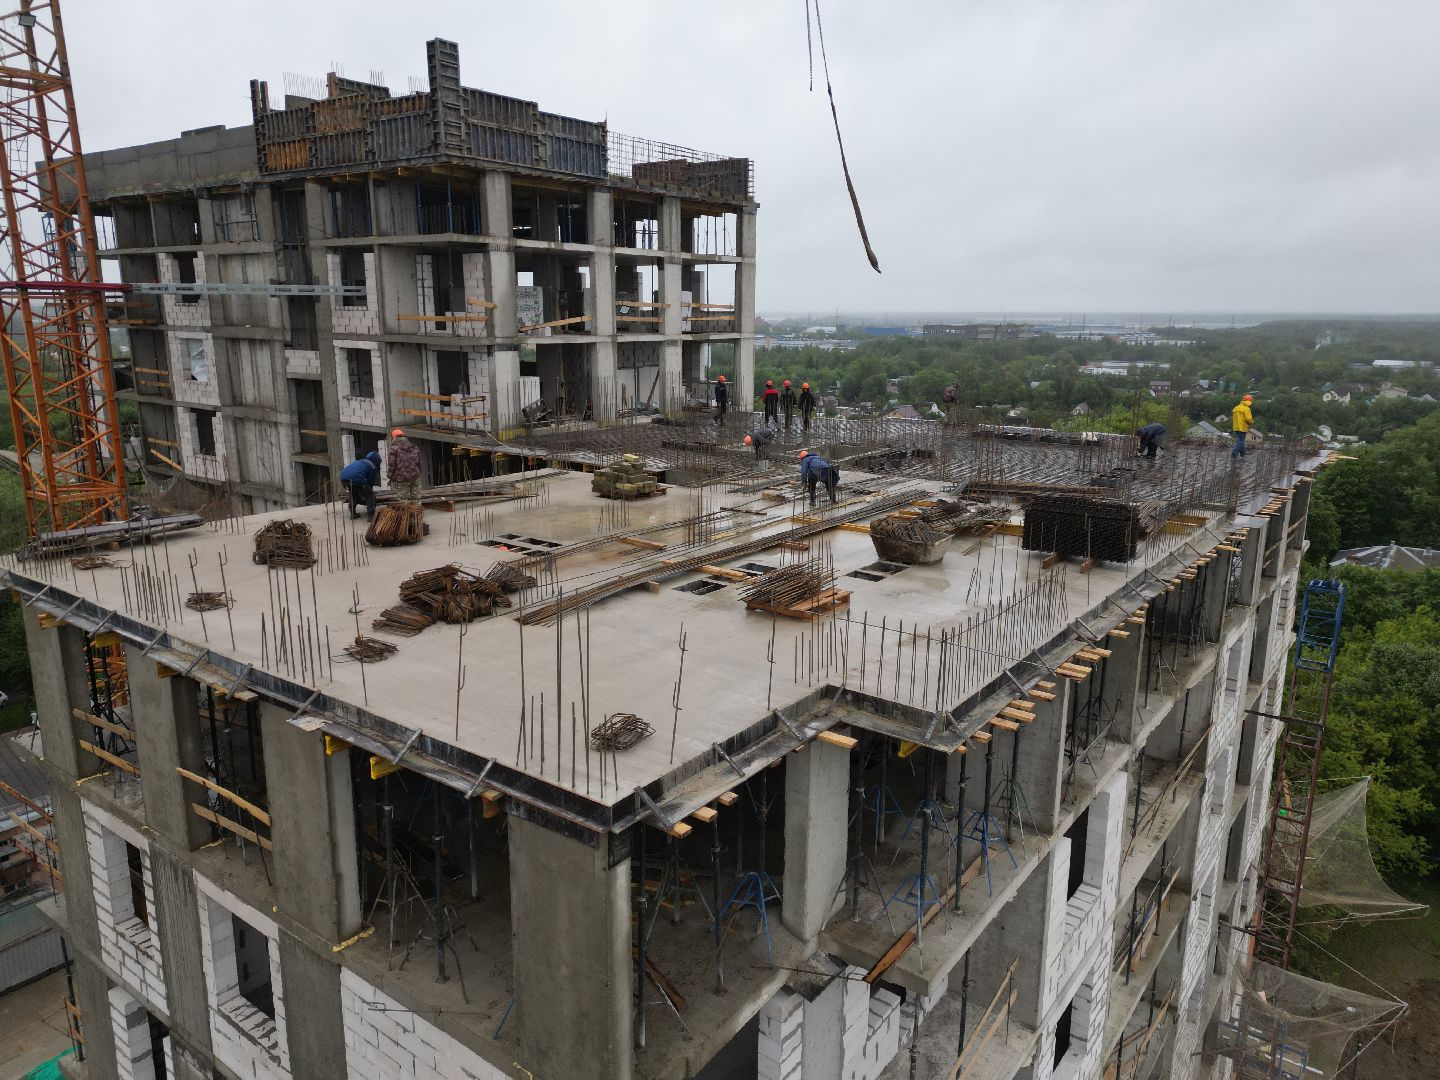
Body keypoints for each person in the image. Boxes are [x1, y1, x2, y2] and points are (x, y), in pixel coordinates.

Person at [340, 450, 382, 518]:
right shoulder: (372, 466)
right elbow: (370, 482)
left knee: (353, 494)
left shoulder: (360, 461)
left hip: (343, 478)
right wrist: (367, 492)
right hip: (356, 478)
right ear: (376, 461)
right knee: (370, 495)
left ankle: (353, 513)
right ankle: (371, 516)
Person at [387, 429, 422, 502]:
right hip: (415, 477)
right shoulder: (414, 447)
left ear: (394, 437)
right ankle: (416, 513)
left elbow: (392, 465)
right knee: (416, 499)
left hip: (402, 478)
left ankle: (405, 513)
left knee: (403, 499)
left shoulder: (394, 449)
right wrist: (418, 472)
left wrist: (390, 477)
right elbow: (419, 462)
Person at [1231, 394, 1254, 459]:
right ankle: (1234, 454)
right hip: (1242, 427)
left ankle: (1242, 454)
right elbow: (1249, 419)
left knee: (1240, 441)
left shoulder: (1236, 408)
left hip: (1236, 427)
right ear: (1249, 401)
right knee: (1240, 441)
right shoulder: (1246, 409)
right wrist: (1252, 422)